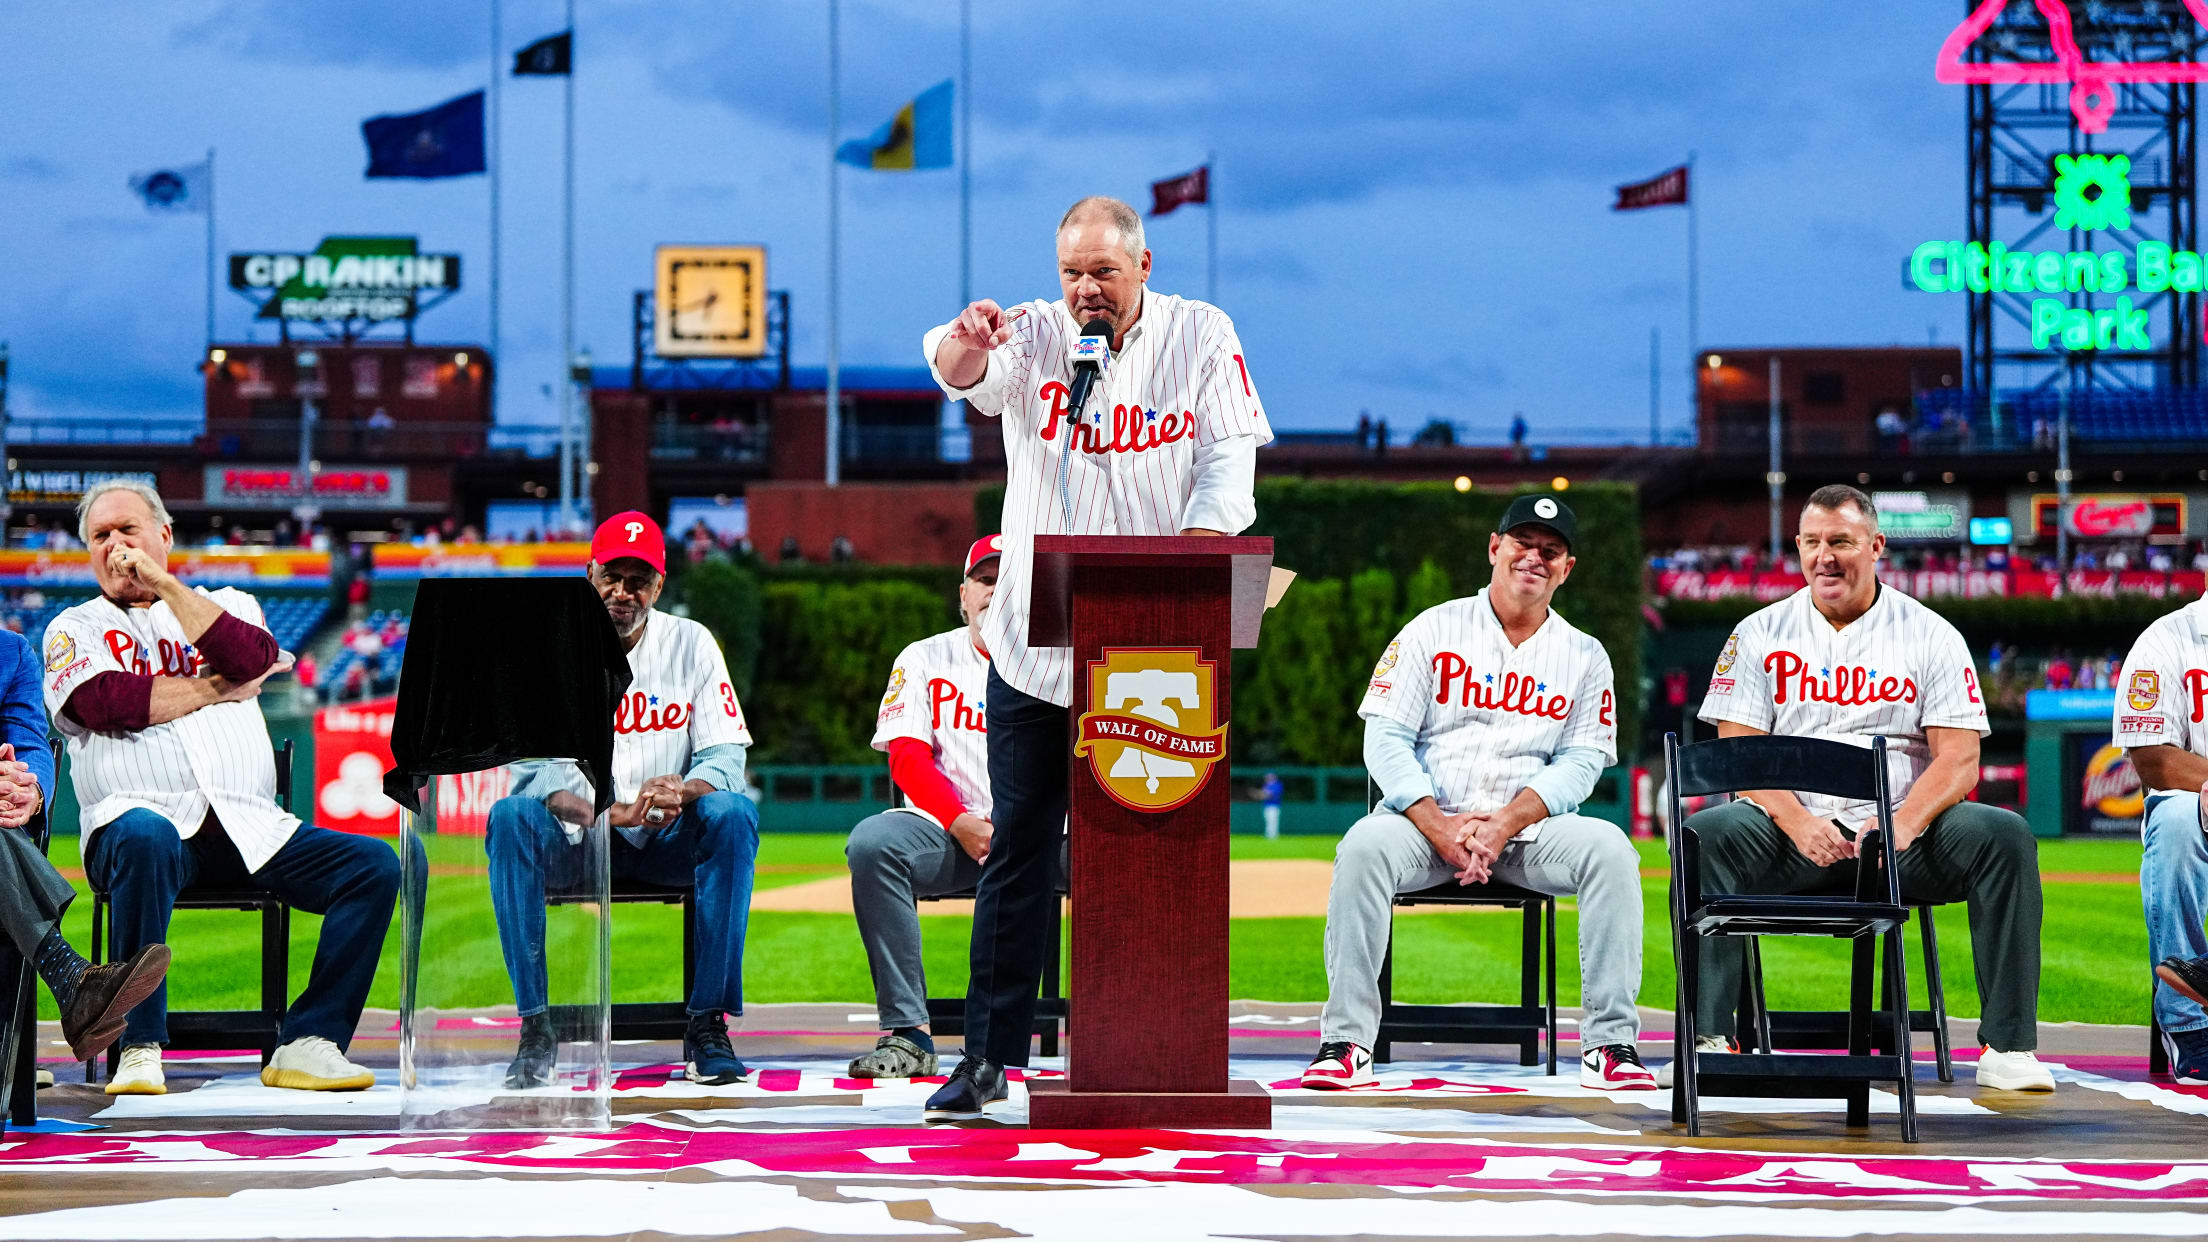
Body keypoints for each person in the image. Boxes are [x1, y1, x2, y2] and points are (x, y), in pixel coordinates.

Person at [916, 194, 1272, 1121]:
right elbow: (953, 371)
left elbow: (1228, 467)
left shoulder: (1202, 334)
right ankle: (989, 1058)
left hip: (1158, 653)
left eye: (1103, 273)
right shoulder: (1032, 336)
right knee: (1020, 853)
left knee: (1160, 846)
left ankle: (1161, 1045)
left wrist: (1190, 565)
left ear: (1143, 267)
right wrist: (967, 335)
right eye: (1072, 271)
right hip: (1035, 652)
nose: (1086, 290)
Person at [1675, 483, 2051, 1092]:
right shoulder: (1758, 632)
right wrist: (1796, 822)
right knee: (1704, 836)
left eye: (1842, 542)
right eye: (1813, 542)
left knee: (2003, 836)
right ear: (1797, 548)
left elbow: (1959, 760)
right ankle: (1712, 1035)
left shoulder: (1931, 634)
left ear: (1875, 546)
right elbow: (1735, 756)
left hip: (1902, 843)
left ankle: (2009, 1046)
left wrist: (1904, 823)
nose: (1826, 556)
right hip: (1784, 836)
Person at [49, 480, 400, 1096]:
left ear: (163, 536)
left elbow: (250, 653)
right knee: (145, 833)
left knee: (373, 865)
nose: (115, 546)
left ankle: (310, 1040)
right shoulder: (73, 627)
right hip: (135, 831)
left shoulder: (227, 601)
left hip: (249, 828)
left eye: (127, 530)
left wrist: (163, 585)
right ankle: (140, 1045)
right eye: (99, 537)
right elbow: (106, 702)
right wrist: (217, 688)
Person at [1300, 494, 1653, 1092]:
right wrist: (1438, 824)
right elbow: (1384, 738)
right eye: (1522, 544)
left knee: (1612, 850)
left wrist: (1504, 825)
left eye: (1551, 551)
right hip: (1422, 828)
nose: (1534, 559)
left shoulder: (1586, 655)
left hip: (1527, 837)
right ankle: (1347, 1042)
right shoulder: (1432, 629)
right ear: (1494, 548)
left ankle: (1612, 1043)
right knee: (1363, 846)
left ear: (1568, 569)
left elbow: (1585, 759)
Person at [484, 512, 759, 1089]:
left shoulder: (692, 643)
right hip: (579, 845)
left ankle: (708, 1025)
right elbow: (536, 775)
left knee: (733, 814)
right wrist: (610, 812)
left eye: (638, 580)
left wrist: (683, 791)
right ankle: (536, 1028)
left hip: (666, 838)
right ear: (589, 574)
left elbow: (726, 760)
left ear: (659, 587)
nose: (622, 591)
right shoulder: (551, 649)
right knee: (510, 818)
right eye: (612, 575)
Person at [842, 536, 1017, 1079]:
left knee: (1129, 855)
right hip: (946, 832)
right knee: (873, 845)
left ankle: (1118, 1031)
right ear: (963, 594)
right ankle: (910, 1033)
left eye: (1008, 579)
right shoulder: (924, 657)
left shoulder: (1061, 658)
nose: (995, 591)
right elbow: (908, 760)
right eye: (985, 580)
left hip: (1038, 835)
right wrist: (960, 821)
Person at [0, 624, 172, 1064]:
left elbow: (30, 746)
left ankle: (73, 982)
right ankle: (69, 977)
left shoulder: (12, 651)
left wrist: (26, 788)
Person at [2110, 588, 2208, 1082]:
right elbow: (2152, 758)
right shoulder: (2167, 641)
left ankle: (2203, 976)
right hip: (2199, 814)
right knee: (2175, 821)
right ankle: (2190, 1024)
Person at [1259, 771, 1284, 841]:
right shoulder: (1266, 785)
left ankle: (1274, 835)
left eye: (1269, 777)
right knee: (1268, 820)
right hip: (1266, 805)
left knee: (1273, 821)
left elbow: (1271, 794)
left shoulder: (1277, 785)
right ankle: (1268, 834)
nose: (1267, 778)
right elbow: (1262, 795)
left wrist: (1265, 794)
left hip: (1274, 806)